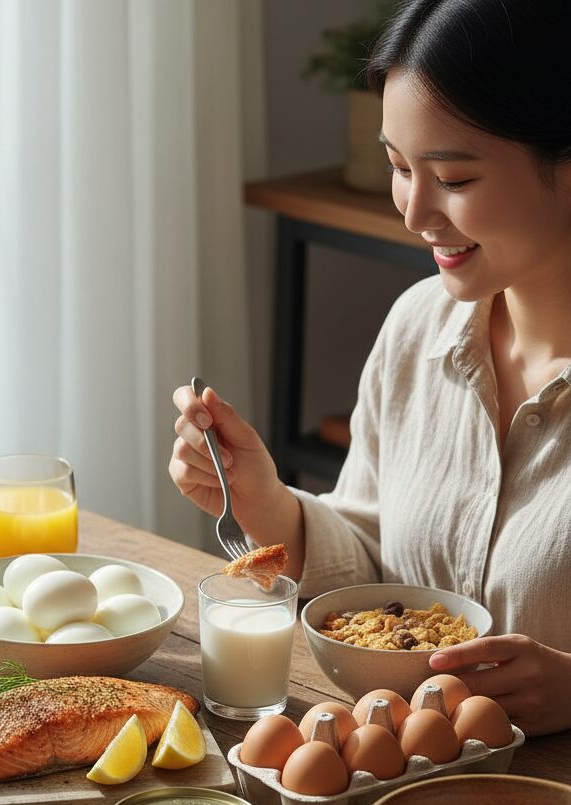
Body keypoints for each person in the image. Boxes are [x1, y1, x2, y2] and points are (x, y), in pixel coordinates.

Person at [168, 0, 571, 736]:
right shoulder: (420, 326)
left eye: (453, 177)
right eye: (397, 166)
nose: (414, 212)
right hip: (399, 801)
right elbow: (376, 579)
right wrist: (267, 504)